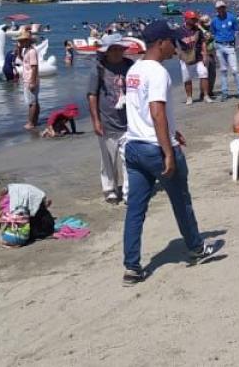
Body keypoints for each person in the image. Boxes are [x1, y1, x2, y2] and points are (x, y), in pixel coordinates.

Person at [121, 20, 221, 285]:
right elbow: (155, 111)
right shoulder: (157, 72)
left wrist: (173, 130)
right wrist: (167, 150)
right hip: (155, 147)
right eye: (171, 42)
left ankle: (132, 267)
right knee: (181, 200)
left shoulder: (135, 69)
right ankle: (196, 248)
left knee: (135, 209)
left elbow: (139, 109)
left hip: (134, 145)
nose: (175, 47)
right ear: (160, 43)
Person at [88, 34, 133, 205]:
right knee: (108, 159)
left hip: (128, 122)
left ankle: (129, 191)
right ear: (106, 52)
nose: (117, 52)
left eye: (119, 49)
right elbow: (92, 95)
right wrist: (96, 121)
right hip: (106, 121)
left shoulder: (130, 66)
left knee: (128, 158)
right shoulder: (98, 69)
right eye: (113, 49)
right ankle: (110, 188)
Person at [210, 1, 239, 100]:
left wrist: (234, 41)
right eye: (219, 8)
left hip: (230, 46)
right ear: (217, 9)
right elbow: (213, 33)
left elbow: (237, 30)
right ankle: (224, 92)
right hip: (219, 46)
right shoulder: (214, 21)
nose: (221, 9)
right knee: (223, 70)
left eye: (222, 7)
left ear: (225, 8)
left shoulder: (231, 18)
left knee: (235, 70)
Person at [178, 11, 212, 104]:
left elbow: (203, 42)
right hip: (186, 58)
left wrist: (205, 54)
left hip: (198, 57)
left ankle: (206, 95)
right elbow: (172, 42)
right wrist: (177, 52)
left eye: (195, 19)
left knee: (204, 74)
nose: (194, 21)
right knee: (187, 78)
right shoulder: (179, 31)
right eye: (192, 19)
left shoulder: (198, 30)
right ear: (186, 19)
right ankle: (189, 97)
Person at [18, 29, 41, 129]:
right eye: (20, 41)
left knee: (32, 103)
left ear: (28, 41)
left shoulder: (31, 51)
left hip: (30, 79)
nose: (20, 42)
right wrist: (19, 49)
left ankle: (31, 122)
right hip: (29, 79)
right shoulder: (26, 50)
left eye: (22, 41)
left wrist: (32, 81)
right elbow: (23, 60)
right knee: (34, 101)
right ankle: (34, 121)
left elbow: (34, 67)